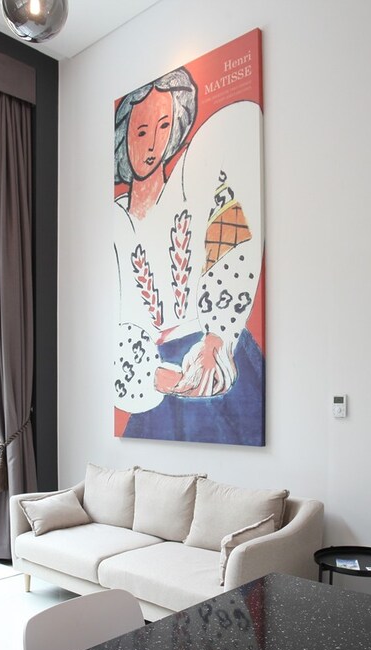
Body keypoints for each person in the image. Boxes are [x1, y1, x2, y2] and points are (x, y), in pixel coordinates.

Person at [112, 68, 265, 444]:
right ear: (123, 136)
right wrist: (156, 376)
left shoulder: (194, 179)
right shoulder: (114, 222)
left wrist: (216, 339)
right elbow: (111, 320)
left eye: (164, 127)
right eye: (141, 131)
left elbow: (231, 246)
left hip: (214, 350)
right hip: (154, 371)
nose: (152, 144)